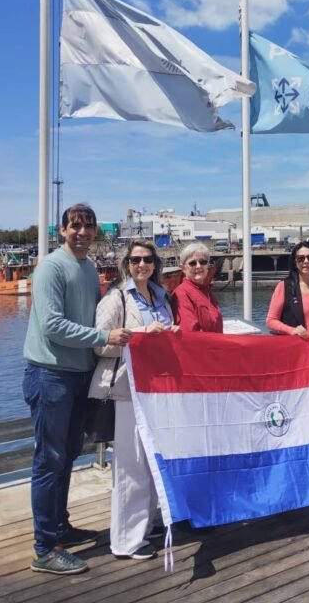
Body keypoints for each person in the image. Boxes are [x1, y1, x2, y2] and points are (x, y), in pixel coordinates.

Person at [23, 204, 132, 575]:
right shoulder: (52, 267)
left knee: (67, 455)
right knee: (49, 460)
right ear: (63, 230)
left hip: (78, 374)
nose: (82, 232)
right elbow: (53, 324)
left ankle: (60, 527)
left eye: (88, 226)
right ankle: (44, 547)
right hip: (50, 374)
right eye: (75, 226)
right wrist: (104, 336)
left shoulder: (87, 268)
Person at [91, 239, 178, 560]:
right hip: (127, 389)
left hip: (156, 390)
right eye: (135, 260)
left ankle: (148, 521)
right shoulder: (116, 299)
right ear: (127, 264)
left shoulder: (161, 296)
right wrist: (142, 337)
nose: (141, 265)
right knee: (131, 465)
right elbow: (100, 344)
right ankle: (126, 539)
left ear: (155, 264)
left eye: (147, 259)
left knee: (153, 459)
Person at [171, 243, 223, 332]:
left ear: (207, 266)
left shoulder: (207, 291)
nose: (198, 266)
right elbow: (189, 331)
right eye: (192, 263)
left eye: (203, 262)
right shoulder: (181, 294)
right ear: (183, 268)